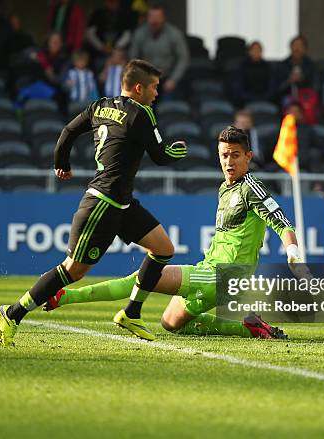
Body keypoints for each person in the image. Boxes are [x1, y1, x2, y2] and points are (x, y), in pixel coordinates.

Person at [43, 126, 304, 341]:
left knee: (145, 276)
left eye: (235, 155)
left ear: (248, 156)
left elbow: (282, 222)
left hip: (225, 274)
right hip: (212, 272)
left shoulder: (252, 188)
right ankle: (249, 328)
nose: (228, 162)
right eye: (224, 155)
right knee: (170, 323)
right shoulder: (225, 188)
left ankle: (63, 295)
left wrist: (293, 254)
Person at [0, 59, 188, 346]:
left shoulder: (99, 106)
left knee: (163, 249)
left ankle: (131, 313)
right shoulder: (141, 113)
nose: (157, 94)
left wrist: (62, 163)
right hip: (103, 203)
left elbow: (68, 131)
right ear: (139, 88)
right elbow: (161, 156)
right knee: (72, 270)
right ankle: (12, 313)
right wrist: (179, 151)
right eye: (154, 88)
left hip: (122, 203)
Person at [129, 3, 190, 100]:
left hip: (168, 78)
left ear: (163, 18)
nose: (154, 20)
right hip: (146, 80)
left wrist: (173, 80)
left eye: (158, 17)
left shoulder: (174, 34)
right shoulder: (140, 34)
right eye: (151, 17)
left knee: (169, 108)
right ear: (147, 18)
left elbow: (183, 58)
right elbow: (133, 58)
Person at [85, 0, 133, 70]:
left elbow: (128, 34)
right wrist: (101, 47)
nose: (112, 4)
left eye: (114, 2)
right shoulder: (97, 14)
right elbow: (90, 33)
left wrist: (117, 47)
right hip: (98, 52)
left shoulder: (125, 15)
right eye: (110, 2)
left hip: (119, 53)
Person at [271, 35, 319, 103]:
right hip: (286, 98)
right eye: (295, 45)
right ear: (290, 47)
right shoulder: (282, 66)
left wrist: (303, 80)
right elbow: (275, 89)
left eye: (300, 46)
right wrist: (289, 81)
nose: (297, 48)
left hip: (305, 97)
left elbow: (315, 88)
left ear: (305, 49)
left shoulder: (311, 66)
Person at [235, 41, 272, 106]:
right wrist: (250, 98)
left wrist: (264, 98)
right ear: (249, 52)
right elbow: (239, 87)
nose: (256, 52)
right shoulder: (242, 67)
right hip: (246, 100)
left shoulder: (268, 67)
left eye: (259, 50)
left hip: (266, 100)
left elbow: (272, 86)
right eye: (254, 50)